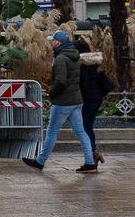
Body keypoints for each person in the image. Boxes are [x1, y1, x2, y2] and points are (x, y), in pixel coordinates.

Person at [24, 30, 97, 173]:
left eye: (53, 41)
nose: (51, 43)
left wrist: (51, 93)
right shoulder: (75, 57)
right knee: (81, 132)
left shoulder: (60, 59)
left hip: (63, 102)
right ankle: (89, 162)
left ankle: (40, 161)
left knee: (51, 131)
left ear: (58, 42)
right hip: (76, 100)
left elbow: (61, 81)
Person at [76, 38, 115, 165]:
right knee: (88, 126)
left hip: (88, 99)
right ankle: (93, 154)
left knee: (82, 127)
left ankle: (92, 154)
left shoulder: (82, 65)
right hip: (96, 99)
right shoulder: (92, 63)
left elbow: (84, 84)